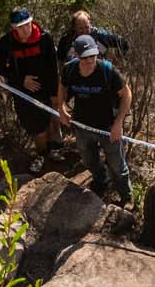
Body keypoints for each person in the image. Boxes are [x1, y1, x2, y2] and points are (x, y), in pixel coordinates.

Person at [56, 34, 132, 204]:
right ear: (76, 55)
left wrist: (118, 123)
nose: (90, 61)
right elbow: (62, 87)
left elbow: (126, 95)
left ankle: (126, 197)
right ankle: (100, 181)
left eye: (93, 56)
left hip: (108, 126)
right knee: (89, 160)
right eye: (85, 58)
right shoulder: (69, 69)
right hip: (81, 125)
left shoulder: (107, 70)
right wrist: (61, 108)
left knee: (117, 166)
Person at [0, 7, 61, 171]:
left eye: (28, 24)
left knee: (50, 120)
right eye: (21, 26)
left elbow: (53, 68)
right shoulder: (7, 42)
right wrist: (21, 79)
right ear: (13, 28)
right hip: (22, 91)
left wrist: (54, 93)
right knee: (36, 128)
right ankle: (41, 155)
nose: (26, 29)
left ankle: (53, 150)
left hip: (45, 88)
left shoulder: (45, 38)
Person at [63, 8, 129, 60]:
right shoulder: (66, 40)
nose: (84, 31)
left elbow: (122, 41)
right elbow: (60, 60)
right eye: (80, 28)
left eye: (86, 27)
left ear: (90, 25)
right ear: (74, 27)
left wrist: (120, 58)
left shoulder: (100, 35)